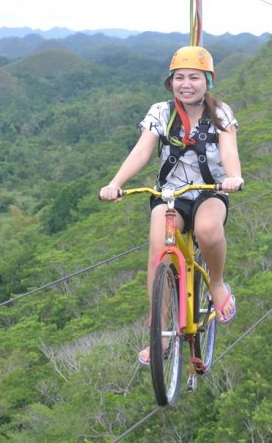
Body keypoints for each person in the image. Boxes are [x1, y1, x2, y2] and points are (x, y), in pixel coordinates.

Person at [99, 45, 244, 365]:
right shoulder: (161, 113)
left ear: (208, 81)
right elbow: (141, 151)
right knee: (159, 251)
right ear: (170, 82)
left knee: (207, 230)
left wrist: (233, 177)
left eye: (194, 77)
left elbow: (229, 149)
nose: (186, 84)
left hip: (210, 191)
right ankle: (160, 335)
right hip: (170, 195)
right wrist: (115, 183)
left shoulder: (220, 113)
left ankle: (217, 285)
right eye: (179, 77)